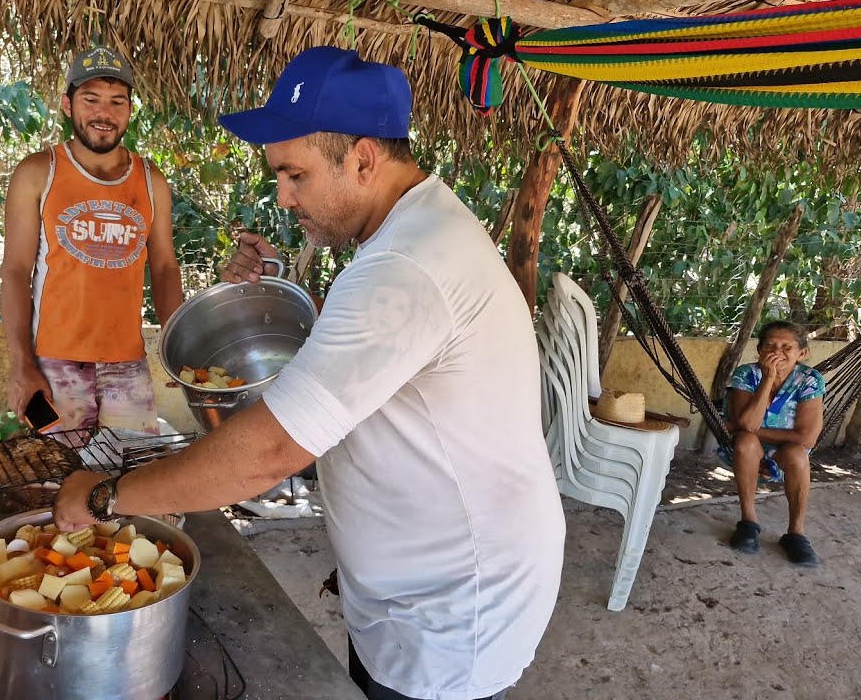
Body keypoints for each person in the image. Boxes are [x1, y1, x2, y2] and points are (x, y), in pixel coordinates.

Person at [54, 46, 564, 700]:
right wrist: (277, 287)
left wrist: (106, 496)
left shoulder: (403, 267)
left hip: (448, 611)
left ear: (362, 159)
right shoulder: (417, 232)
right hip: (415, 582)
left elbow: (268, 454)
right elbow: (385, 355)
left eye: (294, 175)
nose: (283, 196)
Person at [0, 46, 183, 434]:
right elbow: (16, 271)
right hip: (53, 364)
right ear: (68, 104)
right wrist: (21, 365)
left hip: (127, 365)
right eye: (91, 99)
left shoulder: (151, 181)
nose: (105, 113)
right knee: (56, 481)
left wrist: (177, 347)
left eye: (118, 101)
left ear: (130, 110)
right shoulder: (38, 173)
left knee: (132, 478)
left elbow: (165, 268)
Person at [722, 321, 825, 566]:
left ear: (802, 353)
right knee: (746, 441)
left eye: (786, 347)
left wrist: (754, 429)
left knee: (798, 454)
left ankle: (796, 534)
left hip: (787, 453)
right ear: (759, 350)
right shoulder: (746, 375)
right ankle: (748, 522)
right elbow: (747, 425)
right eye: (770, 345)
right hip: (746, 450)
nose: (777, 352)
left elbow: (807, 438)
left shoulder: (809, 380)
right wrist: (768, 378)